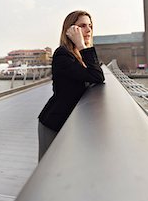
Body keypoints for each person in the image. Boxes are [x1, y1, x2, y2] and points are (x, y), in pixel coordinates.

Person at [37, 10, 105, 161]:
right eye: (82, 26)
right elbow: (97, 77)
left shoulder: (78, 54)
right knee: (47, 169)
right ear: (71, 30)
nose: (88, 30)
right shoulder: (63, 54)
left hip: (71, 122)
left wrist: (82, 47)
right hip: (53, 122)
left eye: (90, 26)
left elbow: (97, 73)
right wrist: (82, 44)